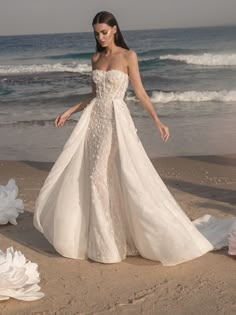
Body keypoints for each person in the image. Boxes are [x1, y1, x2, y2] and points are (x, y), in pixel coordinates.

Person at [33, 11, 236, 266]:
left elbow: (139, 92)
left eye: (104, 32)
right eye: (96, 33)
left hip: (116, 121)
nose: (101, 37)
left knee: (100, 176)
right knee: (99, 176)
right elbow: (94, 95)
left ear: (115, 30)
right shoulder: (95, 57)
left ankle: (107, 246)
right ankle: (106, 240)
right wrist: (70, 110)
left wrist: (157, 120)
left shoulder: (129, 56)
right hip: (95, 121)